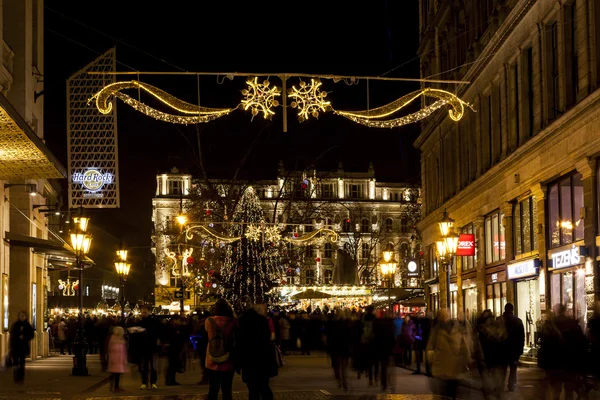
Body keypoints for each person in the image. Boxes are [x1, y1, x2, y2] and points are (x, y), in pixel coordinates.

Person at [236, 302, 277, 400]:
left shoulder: (241, 320)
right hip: (262, 358)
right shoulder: (262, 320)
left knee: (252, 389)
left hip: (248, 359)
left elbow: (238, 342)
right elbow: (267, 339)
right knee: (264, 387)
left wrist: (238, 363)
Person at [205, 299, 237, 400]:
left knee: (213, 389)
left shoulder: (209, 321)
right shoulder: (233, 322)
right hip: (228, 359)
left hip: (212, 359)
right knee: (227, 390)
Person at [136, 305, 161, 390]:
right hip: (144, 347)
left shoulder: (153, 321)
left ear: (149, 312)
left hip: (151, 347)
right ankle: (145, 382)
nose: (143, 314)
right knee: (145, 366)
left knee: (152, 366)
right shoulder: (140, 322)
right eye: (142, 312)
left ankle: (152, 382)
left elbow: (157, 332)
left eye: (145, 312)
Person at [502, 303, 524, 392]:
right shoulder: (518, 321)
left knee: (502, 369)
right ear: (512, 309)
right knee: (513, 369)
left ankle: (500, 385)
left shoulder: (500, 320)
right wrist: (520, 349)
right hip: (514, 349)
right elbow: (521, 337)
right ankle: (511, 385)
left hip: (502, 349)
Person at [9, 311, 34, 384]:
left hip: (23, 347)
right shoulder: (15, 325)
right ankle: (16, 377)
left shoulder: (27, 325)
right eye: (20, 316)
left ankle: (21, 377)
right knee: (16, 363)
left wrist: (25, 337)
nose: (22, 317)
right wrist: (17, 337)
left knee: (22, 363)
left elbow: (31, 335)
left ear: (25, 317)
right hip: (15, 346)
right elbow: (12, 335)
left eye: (23, 316)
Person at [107, 326, 127, 393]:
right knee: (116, 374)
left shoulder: (114, 339)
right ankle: (115, 387)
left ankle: (114, 386)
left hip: (117, 358)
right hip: (117, 359)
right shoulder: (118, 339)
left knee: (116, 374)